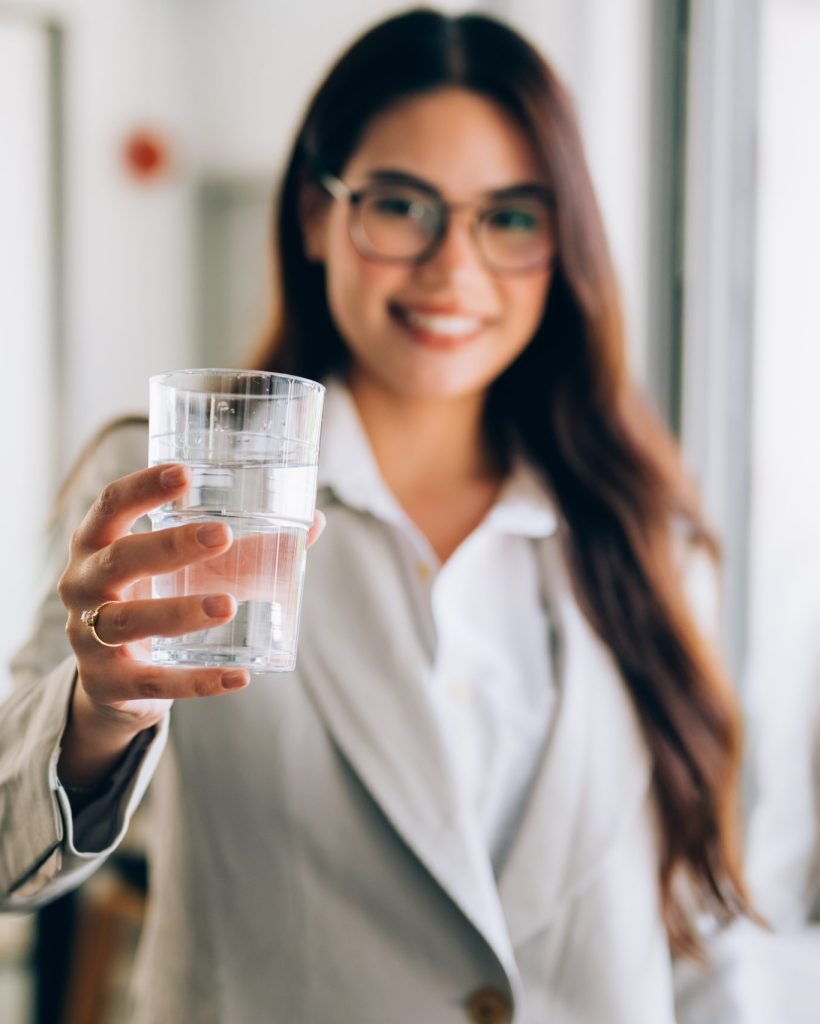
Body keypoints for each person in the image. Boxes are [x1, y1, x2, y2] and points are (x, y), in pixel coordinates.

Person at [1, 8, 753, 1022]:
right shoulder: (169, 485)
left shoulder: (639, 528)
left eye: (511, 216)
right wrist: (100, 714)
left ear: (562, 241)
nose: (452, 267)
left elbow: (690, 927)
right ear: (316, 215)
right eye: (402, 206)